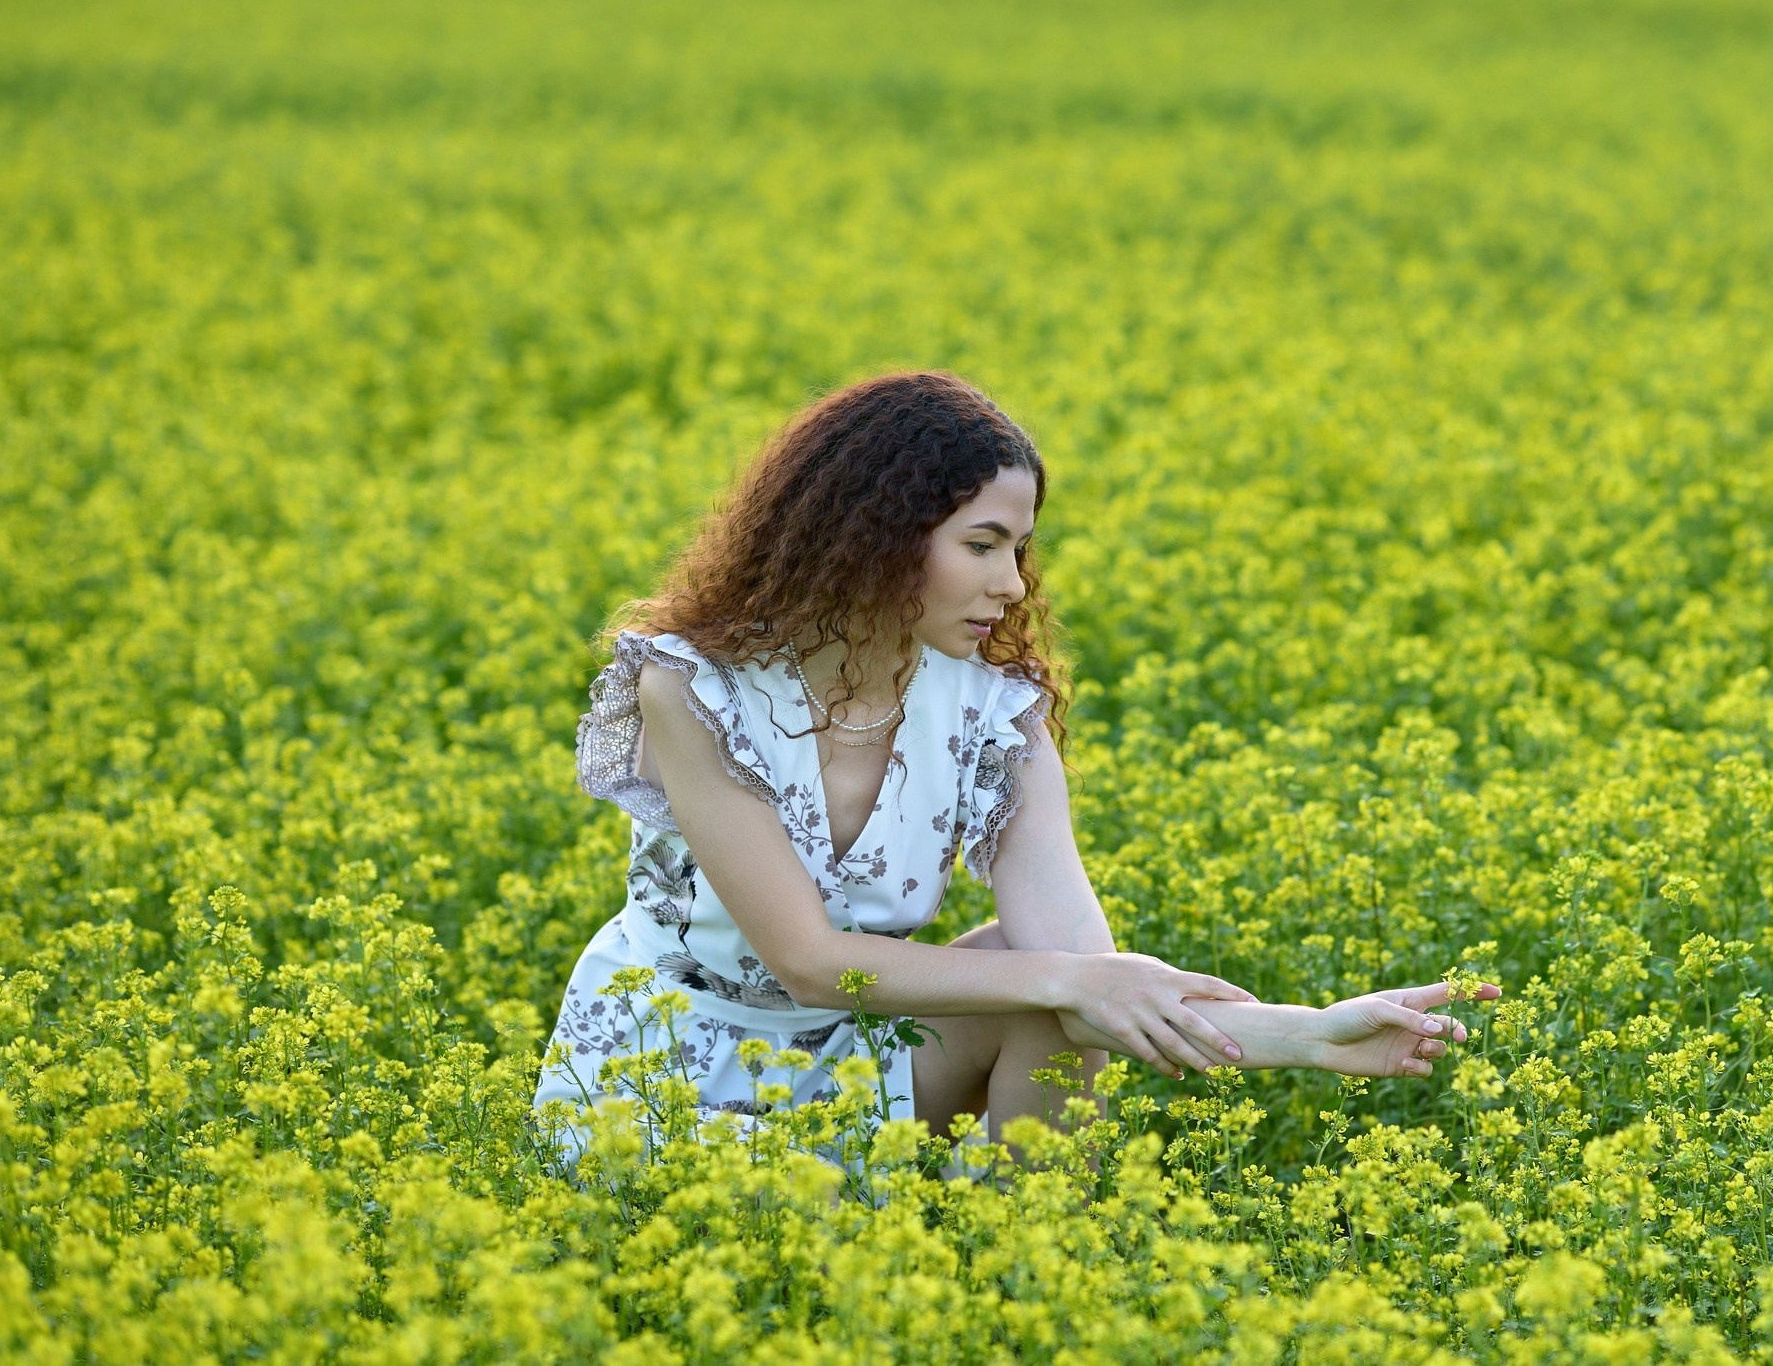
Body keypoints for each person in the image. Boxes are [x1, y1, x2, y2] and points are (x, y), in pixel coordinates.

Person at [534, 370, 1489, 1140]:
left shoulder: (995, 710)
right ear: (873, 538)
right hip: (667, 1077)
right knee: (1029, 995)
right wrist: (1076, 979)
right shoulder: (696, 685)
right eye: (982, 544)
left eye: (1020, 549)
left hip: (866, 1061)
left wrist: (1311, 1034)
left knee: (1036, 976)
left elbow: (1079, 965)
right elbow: (810, 963)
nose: (1011, 583)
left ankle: (1025, 1257)